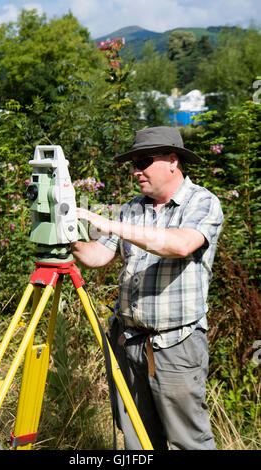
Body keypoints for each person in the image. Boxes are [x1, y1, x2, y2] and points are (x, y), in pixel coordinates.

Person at [71, 126, 223, 450]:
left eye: (143, 161)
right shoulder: (131, 208)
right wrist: (66, 240)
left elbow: (181, 245)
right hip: (129, 342)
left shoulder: (203, 203)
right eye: (133, 164)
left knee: (188, 442)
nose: (136, 171)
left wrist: (109, 223)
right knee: (138, 441)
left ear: (172, 161)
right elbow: (99, 255)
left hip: (176, 344)